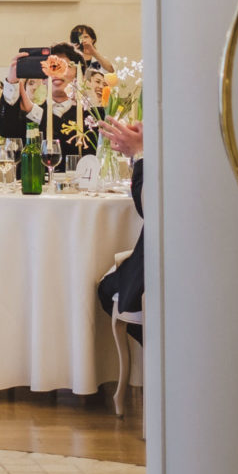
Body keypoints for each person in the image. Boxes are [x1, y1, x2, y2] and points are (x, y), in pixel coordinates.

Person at [0, 41, 85, 170]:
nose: (57, 71)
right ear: (43, 78)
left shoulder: (90, 117)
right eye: (52, 66)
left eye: (64, 65)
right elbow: (6, 130)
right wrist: (12, 82)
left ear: (80, 75)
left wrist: (34, 111)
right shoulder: (27, 112)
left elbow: (75, 145)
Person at [96, 117, 144, 342]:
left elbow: (148, 205)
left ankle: (162, 355)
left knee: (106, 289)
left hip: (166, 266)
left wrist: (140, 152)